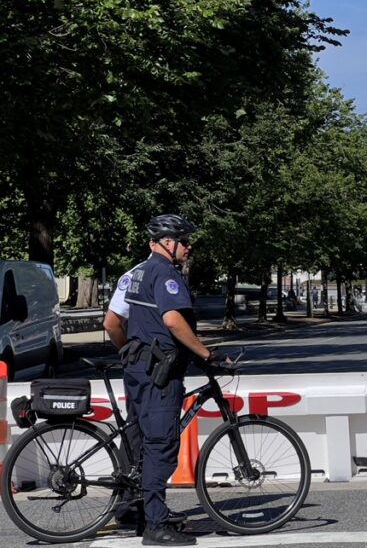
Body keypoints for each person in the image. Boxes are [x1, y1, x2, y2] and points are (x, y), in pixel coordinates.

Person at [123, 215, 215, 546]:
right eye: (182, 240)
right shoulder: (164, 274)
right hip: (158, 373)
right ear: (164, 242)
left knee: (142, 444)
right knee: (160, 446)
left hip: (138, 367)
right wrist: (205, 354)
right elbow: (174, 321)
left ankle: (136, 512)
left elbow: (117, 320)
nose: (188, 246)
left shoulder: (139, 272)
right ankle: (155, 527)